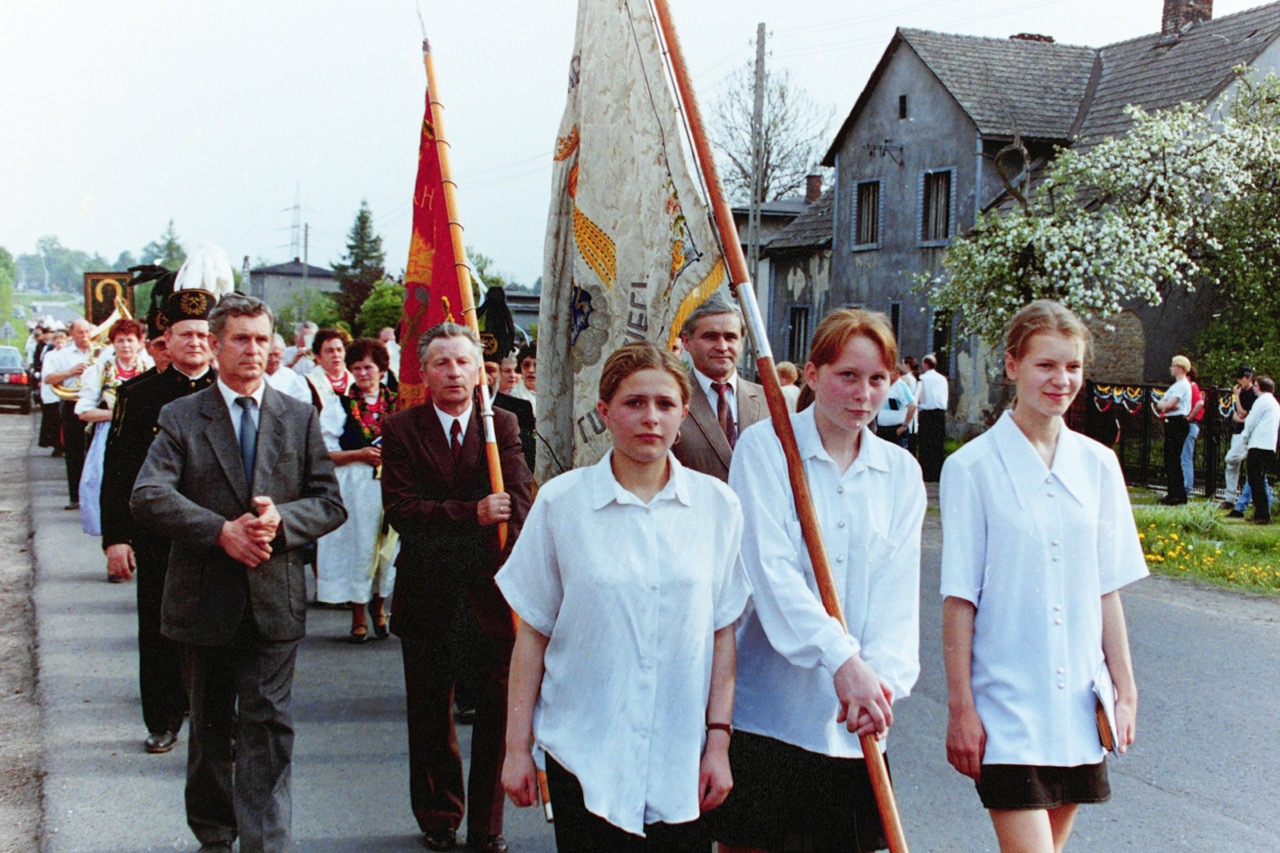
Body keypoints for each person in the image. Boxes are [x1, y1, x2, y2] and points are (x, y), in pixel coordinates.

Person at [499, 341, 749, 852]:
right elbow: (533, 636)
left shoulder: (717, 506)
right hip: (584, 752)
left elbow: (722, 633)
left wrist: (718, 742)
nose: (650, 417)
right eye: (634, 402)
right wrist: (516, 747)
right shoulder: (562, 503)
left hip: (682, 757)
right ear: (605, 411)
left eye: (665, 404)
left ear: (683, 413)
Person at [131, 293, 346, 852]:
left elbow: (329, 502)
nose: (253, 350)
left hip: (275, 599)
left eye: (261, 339)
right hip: (205, 598)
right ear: (217, 344)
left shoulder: (297, 416)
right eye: (241, 339)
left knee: (269, 723)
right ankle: (214, 834)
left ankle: (265, 841)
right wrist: (220, 531)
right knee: (210, 726)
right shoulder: (181, 416)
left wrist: (282, 520)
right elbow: (148, 494)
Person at [712, 308, 926, 853]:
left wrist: (879, 685)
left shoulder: (901, 474)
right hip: (770, 713)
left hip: (855, 718)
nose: (863, 393)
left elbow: (897, 599)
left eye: (877, 378)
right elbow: (771, 573)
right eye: (847, 375)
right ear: (812, 374)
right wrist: (841, 660)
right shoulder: (767, 449)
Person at [940, 300, 1146, 853]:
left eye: (1072, 366)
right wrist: (961, 708)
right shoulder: (971, 468)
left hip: (1079, 705)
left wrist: (1125, 692)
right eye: (1046, 365)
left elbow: (1106, 590)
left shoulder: (1099, 465)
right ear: (1012, 366)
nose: (1062, 380)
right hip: (1005, 707)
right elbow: (959, 600)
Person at [380, 322, 533, 853]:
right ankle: (439, 816)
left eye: (463, 362)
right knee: (429, 714)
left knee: (496, 714)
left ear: (479, 371)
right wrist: (471, 514)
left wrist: (500, 546)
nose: (453, 373)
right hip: (427, 592)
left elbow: (519, 501)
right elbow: (403, 510)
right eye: (441, 363)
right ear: (424, 372)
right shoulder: (402, 428)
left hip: (490, 594)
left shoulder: (501, 425)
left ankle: (487, 826)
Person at [101, 291, 219, 753]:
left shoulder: (229, 392)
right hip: (158, 534)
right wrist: (117, 538)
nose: (195, 343)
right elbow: (119, 470)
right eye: (185, 335)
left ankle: (216, 724)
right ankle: (164, 719)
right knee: (158, 628)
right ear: (165, 341)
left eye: (203, 335)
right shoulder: (139, 395)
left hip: (217, 532)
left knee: (218, 629)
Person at [316, 338, 397, 641]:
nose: (363, 374)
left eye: (368, 368)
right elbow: (323, 453)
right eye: (357, 368)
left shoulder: (398, 403)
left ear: (382, 370)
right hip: (356, 487)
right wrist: (359, 454)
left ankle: (380, 605)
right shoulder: (339, 404)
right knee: (360, 549)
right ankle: (358, 613)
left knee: (388, 550)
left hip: (391, 485)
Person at [671, 295, 768, 481]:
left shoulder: (770, 401)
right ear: (687, 342)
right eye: (710, 337)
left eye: (730, 337)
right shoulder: (669, 400)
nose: (722, 347)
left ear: (741, 343)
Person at [76, 318, 151, 541]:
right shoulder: (101, 370)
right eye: (120, 340)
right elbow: (83, 411)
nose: (125, 345)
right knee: (107, 484)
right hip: (109, 434)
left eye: (130, 340)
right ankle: (114, 537)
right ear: (113, 343)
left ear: (139, 342)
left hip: (144, 433)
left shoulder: (149, 368)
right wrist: (117, 414)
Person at [43, 318, 96, 508]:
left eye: (87, 332)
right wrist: (70, 372)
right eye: (80, 332)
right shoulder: (61, 354)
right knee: (74, 452)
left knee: (96, 450)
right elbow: (48, 378)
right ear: (72, 334)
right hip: (72, 403)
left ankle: (95, 497)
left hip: (95, 404)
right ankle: (76, 497)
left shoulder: (99, 352)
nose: (84, 336)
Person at [1238, 375, 1278, 525]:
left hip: (1258, 444)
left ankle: (1262, 515)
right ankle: (1262, 513)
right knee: (1259, 478)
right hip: (1269, 445)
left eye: (1255, 385)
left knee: (1255, 479)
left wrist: (1244, 437)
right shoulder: (1273, 402)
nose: (1253, 388)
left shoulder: (1261, 401)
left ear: (1261, 387)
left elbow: (1251, 421)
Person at [1156, 355, 1193, 505]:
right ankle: (1173, 492)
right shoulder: (1175, 386)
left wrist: (1167, 405)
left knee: (1173, 459)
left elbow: (1169, 404)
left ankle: (1178, 495)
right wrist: (1166, 405)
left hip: (1177, 422)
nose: (1171, 368)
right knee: (1170, 458)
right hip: (1172, 421)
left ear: (1180, 368)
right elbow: (1161, 404)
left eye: (1173, 365)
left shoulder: (1182, 385)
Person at [1222, 365, 1256, 508]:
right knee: (1231, 466)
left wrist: (1236, 398)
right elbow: (1236, 416)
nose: (1239, 382)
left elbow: (1243, 412)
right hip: (1238, 430)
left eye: (1242, 379)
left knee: (1231, 457)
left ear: (1248, 378)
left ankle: (1244, 453)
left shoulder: (1253, 394)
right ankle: (1229, 498)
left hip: (1246, 433)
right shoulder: (1241, 392)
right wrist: (1241, 417)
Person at [916, 353, 948, 481]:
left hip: (927, 412)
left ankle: (926, 472)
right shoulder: (942, 379)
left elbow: (919, 396)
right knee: (937, 443)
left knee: (925, 443)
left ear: (925, 364)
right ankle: (937, 472)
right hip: (939, 413)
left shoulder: (922, 379)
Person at [306, 328, 354, 409]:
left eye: (339, 350)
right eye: (329, 351)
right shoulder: (306, 382)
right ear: (318, 357)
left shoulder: (355, 377)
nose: (336, 355)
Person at [876, 362, 918, 450]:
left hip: (895, 430)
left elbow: (913, 405)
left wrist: (904, 426)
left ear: (896, 373)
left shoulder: (900, 386)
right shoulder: (886, 386)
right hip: (882, 430)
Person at [37, 328, 66, 455]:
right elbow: (47, 374)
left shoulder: (67, 354)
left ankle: (63, 444)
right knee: (54, 421)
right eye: (58, 342)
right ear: (54, 343)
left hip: (65, 391)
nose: (60, 345)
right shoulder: (50, 355)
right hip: (52, 392)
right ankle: (57, 445)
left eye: (62, 342)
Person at [265, 333, 313, 403]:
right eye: (269, 355)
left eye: (276, 354)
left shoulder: (292, 377)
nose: (273, 360)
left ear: (283, 353)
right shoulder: (253, 376)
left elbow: (304, 402)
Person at [1181, 364, 1205, 496]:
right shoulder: (1192, 387)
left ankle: (1187, 488)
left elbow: (1200, 403)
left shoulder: (1191, 387)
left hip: (1191, 425)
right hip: (1192, 424)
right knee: (1185, 457)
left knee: (1186, 457)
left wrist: (1190, 417)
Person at [507, 341, 537, 413]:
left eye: (537, 365)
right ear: (520, 366)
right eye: (526, 365)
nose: (531, 370)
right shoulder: (512, 397)